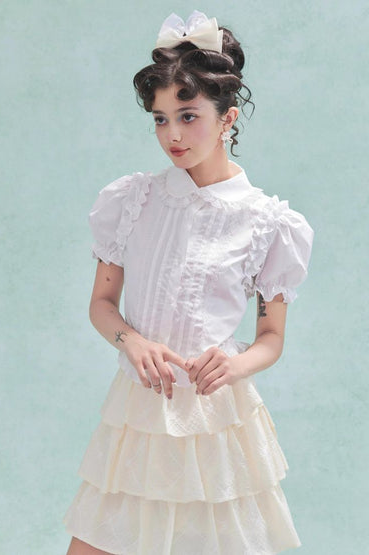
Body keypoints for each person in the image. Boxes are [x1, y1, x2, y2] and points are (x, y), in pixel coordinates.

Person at [63, 10, 314, 555]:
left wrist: (236, 365)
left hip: (215, 419)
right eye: (160, 119)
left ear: (228, 118)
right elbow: (102, 303)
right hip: (138, 415)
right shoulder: (132, 201)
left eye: (188, 115)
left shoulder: (268, 223)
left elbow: (271, 338)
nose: (172, 135)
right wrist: (132, 341)